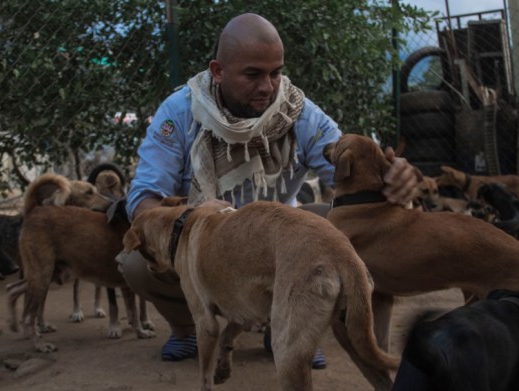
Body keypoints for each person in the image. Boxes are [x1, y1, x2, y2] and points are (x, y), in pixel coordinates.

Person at [118, 13, 417, 369]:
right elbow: (143, 200)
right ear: (218, 70)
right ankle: (187, 326)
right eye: (253, 74)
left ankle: (294, 327)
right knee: (135, 261)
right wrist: (191, 217)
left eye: (276, 72)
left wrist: (392, 178)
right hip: (206, 252)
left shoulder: (300, 114)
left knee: (345, 231)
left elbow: (355, 175)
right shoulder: (180, 113)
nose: (268, 87)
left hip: (282, 253)